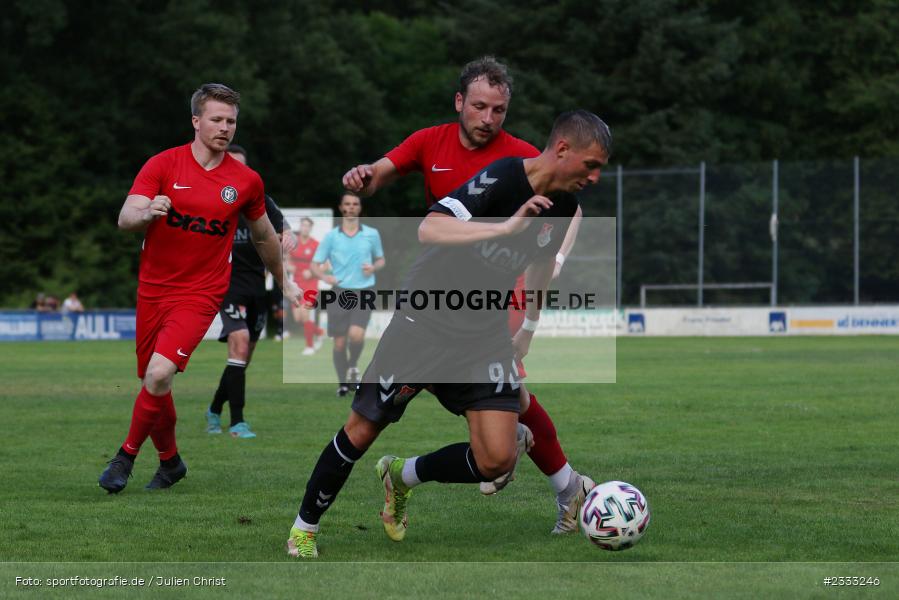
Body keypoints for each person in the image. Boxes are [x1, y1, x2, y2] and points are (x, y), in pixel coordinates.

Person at [287, 110, 612, 558]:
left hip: (483, 336)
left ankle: (401, 475)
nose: (594, 177)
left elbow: (539, 266)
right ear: (562, 149)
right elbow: (430, 227)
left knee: (497, 458)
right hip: (424, 324)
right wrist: (505, 226)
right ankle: (303, 529)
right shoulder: (502, 177)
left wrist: (529, 327)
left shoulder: (565, 207)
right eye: (590, 165)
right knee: (362, 430)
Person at [341, 56, 590, 533]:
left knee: (507, 391)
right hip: (440, 293)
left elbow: (569, 208)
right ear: (460, 102)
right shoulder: (428, 141)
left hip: (495, 295)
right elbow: (380, 173)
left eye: (499, 110)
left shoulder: (519, 154)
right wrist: (363, 177)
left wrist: (555, 259)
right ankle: (553, 476)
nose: (488, 118)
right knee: (510, 397)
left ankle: (551, 476)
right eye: (480, 107)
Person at [98, 83, 299, 494]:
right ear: (196, 121)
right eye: (217, 119)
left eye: (231, 121)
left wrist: (286, 282)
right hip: (153, 290)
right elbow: (125, 216)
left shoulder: (246, 181)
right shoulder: (163, 164)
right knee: (155, 382)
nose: (225, 128)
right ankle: (171, 463)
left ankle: (124, 458)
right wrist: (146, 212)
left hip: (202, 293)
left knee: (159, 373)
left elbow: (264, 236)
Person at [205, 144, 297, 439]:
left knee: (242, 357)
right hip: (226, 285)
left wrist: (288, 236)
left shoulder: (259, 199)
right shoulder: (210, 198)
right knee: (240, 342)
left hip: (257, 287)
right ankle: (237, 422)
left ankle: (214, 409)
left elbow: (284, 227)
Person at [310, 193, 385, 396]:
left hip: (364, 291)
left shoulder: (371, 234)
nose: (351, 207)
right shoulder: (331, 237)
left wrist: (373, 267)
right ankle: (343, 383)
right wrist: (325, 277)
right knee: (340, 343)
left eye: (355, 204)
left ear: (359, 208)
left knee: (356, 335)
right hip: (339, 292)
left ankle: (352, 366)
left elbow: (381, 259)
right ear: (341, 208)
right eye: (347, 204)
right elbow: (315, 265)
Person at [290, 217, 325, 355]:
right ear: (300, 227)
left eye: (307, 226)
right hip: (296, 284)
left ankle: (309, 347)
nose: (305, 228)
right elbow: (286, 259)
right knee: (298, 318)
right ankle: (320, 332)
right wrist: (289, 266)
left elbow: (326, 265)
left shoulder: (316, 244)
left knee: (305, 313)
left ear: (311, 228)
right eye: (303, 225)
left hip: (311, 284)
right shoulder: (293, 243)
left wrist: (312, 272)